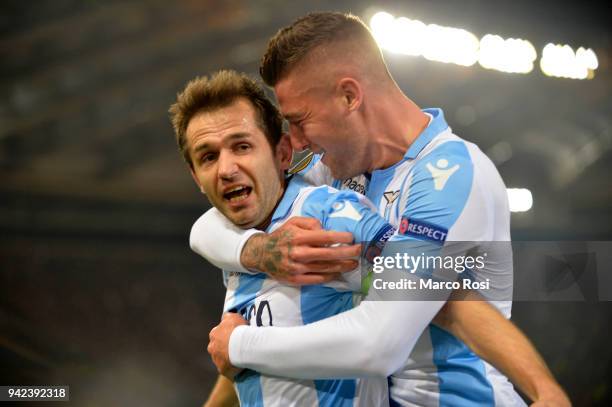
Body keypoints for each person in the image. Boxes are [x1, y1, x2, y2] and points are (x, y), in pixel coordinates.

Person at [195, 12, 571, 406]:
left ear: (349, 96)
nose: (298, 142)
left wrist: (240, 345)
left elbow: (383, 341)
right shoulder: (327, 170)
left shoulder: (451, 177)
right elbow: (214, 224)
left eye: (300, 120)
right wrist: (257, 251)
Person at [169, 70, 396, 406]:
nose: (226, 169)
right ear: (196, 177)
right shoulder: (236, 237)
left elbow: (431, 275)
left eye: (242, 146)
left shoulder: (326, 215)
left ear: (283, 153)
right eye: (209, 157)